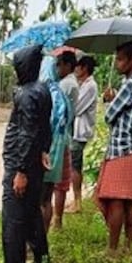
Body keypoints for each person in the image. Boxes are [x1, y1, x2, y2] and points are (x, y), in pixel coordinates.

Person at [0, 45, 52, 263]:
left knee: (13, 219)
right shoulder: (43, 90)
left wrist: (20, 170)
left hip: (20, 164)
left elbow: (27, 133)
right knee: (32, 212)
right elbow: (45, 127)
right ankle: (42, 256)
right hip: (35, 163)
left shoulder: (25, 94)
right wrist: (44, 151)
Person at [97, 41, 132, 255]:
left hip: (121, 149)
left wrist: (109, 100)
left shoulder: (130, 85)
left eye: (121, 59)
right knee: (128, 201)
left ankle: (112, 248)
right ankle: (128, 246)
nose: (117, 63)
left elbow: (109, 116)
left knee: (115, 201)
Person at [41, 55, 72, 231]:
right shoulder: (62, 95)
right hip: (58, 152)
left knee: (38, 200)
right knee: (47, 199)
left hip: (46, 151)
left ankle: (34, 245)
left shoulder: (44, 94)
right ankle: (43, 239)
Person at [51, 52, 78, 227]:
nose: (57, 68)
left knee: (59, 182)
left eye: (59, 64)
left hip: (59, 139)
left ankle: (57, 219)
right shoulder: (68, 83)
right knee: (59, 182)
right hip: (63, 137)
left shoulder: (67, 84)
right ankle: (57, 218)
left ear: (68, 65)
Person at [70, 55, 98, 213]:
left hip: (80, 132)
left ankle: (77, 201)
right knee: (75, 165)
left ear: (84, 68)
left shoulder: (90, 86)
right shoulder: (84, 85)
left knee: (75, 166)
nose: (75, 70)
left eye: (78, 67)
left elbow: (77, 108)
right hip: (77, 130)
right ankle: (76, 200)